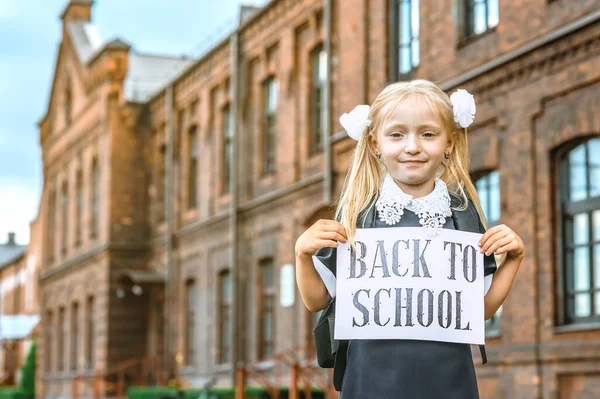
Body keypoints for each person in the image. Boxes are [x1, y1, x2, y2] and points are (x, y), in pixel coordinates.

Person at [294, 80, 525, 398]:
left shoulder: (463, 214)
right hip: (369, 383)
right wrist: (302, 255)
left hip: (448, 383)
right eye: (397, 134)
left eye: (427, 134)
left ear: (449, 142)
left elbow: (480, 309)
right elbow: (317, 299)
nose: (412, 146)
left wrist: (514, 260)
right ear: (375, 143)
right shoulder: (357, 214)